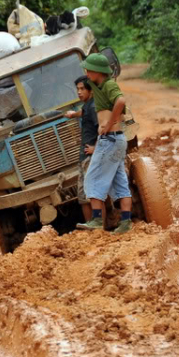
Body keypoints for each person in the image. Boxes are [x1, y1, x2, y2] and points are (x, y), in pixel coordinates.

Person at [76, 53, 133, 234]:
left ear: (97, 71)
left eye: (88, 69)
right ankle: (125, 222)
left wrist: (109, 124)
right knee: (119, 182)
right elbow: (85, 85)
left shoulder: (108, 85)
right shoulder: (97, 85)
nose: (86, 72)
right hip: (116, 140)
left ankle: (97, 219)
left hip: (110, 138)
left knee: (91, 179)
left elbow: (121, 101)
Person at [65, 75, 98, 221]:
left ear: (90, 90)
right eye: (77, 89)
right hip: (84, 157)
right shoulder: (87, 106)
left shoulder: (93, 107)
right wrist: (73, 115)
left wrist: (96, 148)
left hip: (90, 157)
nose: (78, 92)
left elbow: (103, 129)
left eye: (82, 89)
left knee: (92, 195)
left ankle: (98, 229)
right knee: (83, 196)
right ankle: (93, 229)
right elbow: (83, 113)